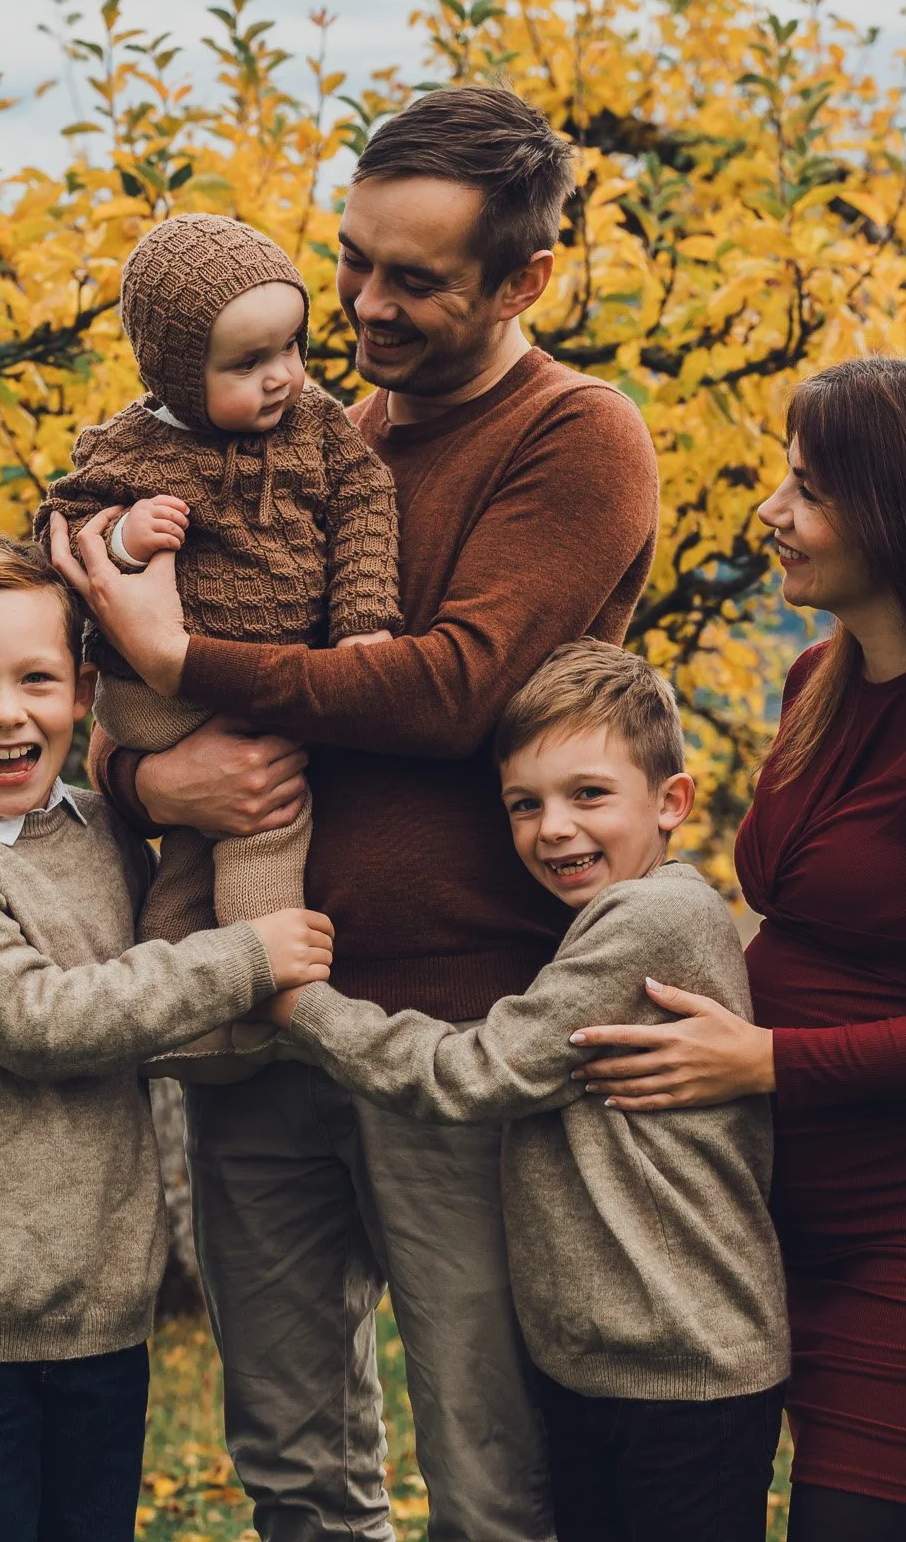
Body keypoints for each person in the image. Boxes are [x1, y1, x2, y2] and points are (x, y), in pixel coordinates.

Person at [49, 85, 660, 1542]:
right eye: (351, 260)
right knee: (292, 1460)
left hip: (456, 1025)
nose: (366, 306)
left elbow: (451, 688)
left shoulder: (576, 438)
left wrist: (179, 659)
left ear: (524, 281)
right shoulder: (295, 424)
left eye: (415, 279)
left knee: (486, 1462)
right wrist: (145, 776)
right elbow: (122, 698)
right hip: (258, 1007)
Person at [568, 357, 906, 1542]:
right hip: (803, 1208)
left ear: (905, 515)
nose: (770, 511)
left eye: (808, 490)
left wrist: (760, 1060)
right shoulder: (818, 680)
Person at [0, 534, 336, 1542]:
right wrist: (246, 958)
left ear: (82, 693)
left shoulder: (99, 830)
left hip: (101, 1302)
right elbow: (40, 1021)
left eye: (35, 679)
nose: (6, 712)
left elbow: (147, 1007)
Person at [263, 639, 789, 1542]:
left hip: (685, 1371)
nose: (553, 828)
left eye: (589, 795)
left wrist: (304, 1008)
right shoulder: (604, 918)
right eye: (524, 804)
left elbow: (473, 1071)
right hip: (603, 1365)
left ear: (672, 801)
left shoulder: (652, 917)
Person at [35, 213, 401, 1081]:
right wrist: (123, 538)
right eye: (247, 363)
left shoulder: (317, 427)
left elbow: (367, 503)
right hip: (156, 696)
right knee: (269, 817)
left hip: (265, 680)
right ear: (175, 372)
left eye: (292, 347)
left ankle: (186, 1020)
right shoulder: (130, 447)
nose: (282, 376)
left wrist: (362, 619)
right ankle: (257, 975)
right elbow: (60, 528)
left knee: (199, 853)